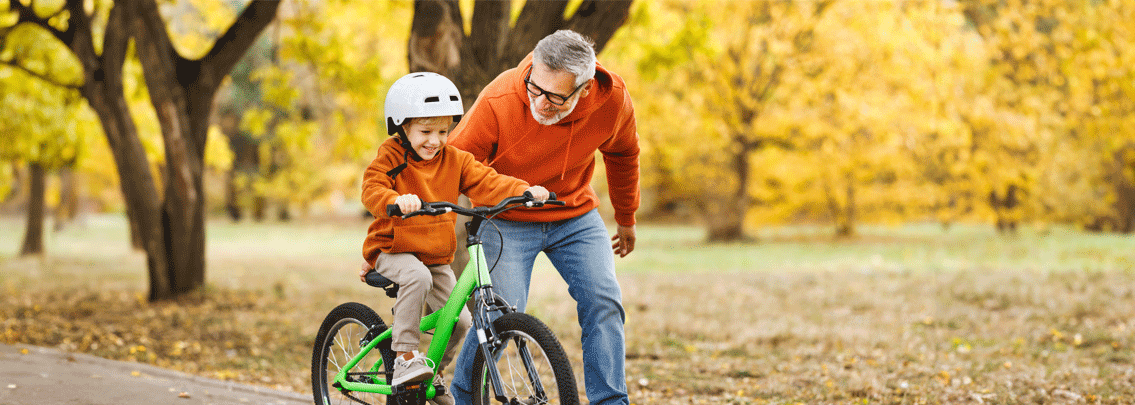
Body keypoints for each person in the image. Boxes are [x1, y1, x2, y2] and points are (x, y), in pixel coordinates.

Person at [447, 30, 639, 405]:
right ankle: (464, 399)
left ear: (584, 89)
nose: (540, 102)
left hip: (574, 216)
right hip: (506, 218)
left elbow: (624, 154)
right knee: (501, 311)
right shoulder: (501, 97)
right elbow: (452, 164)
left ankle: (611, 401)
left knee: (604, 300)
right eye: (536, 88)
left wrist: (626, 216)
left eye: (555, 96)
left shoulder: (612, 98)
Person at [359, 72, 549, 404]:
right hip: (393, 248)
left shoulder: (455, 160)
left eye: (443, 131)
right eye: (426, 131)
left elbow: (487, 181)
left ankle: (429, 374)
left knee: (460, 321)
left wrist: (524, 190)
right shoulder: (391, 156)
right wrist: (394, 201)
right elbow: (372, 188)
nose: (435, 140)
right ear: (402, 127)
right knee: (416, 277)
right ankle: (404, 359)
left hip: (435, 255)